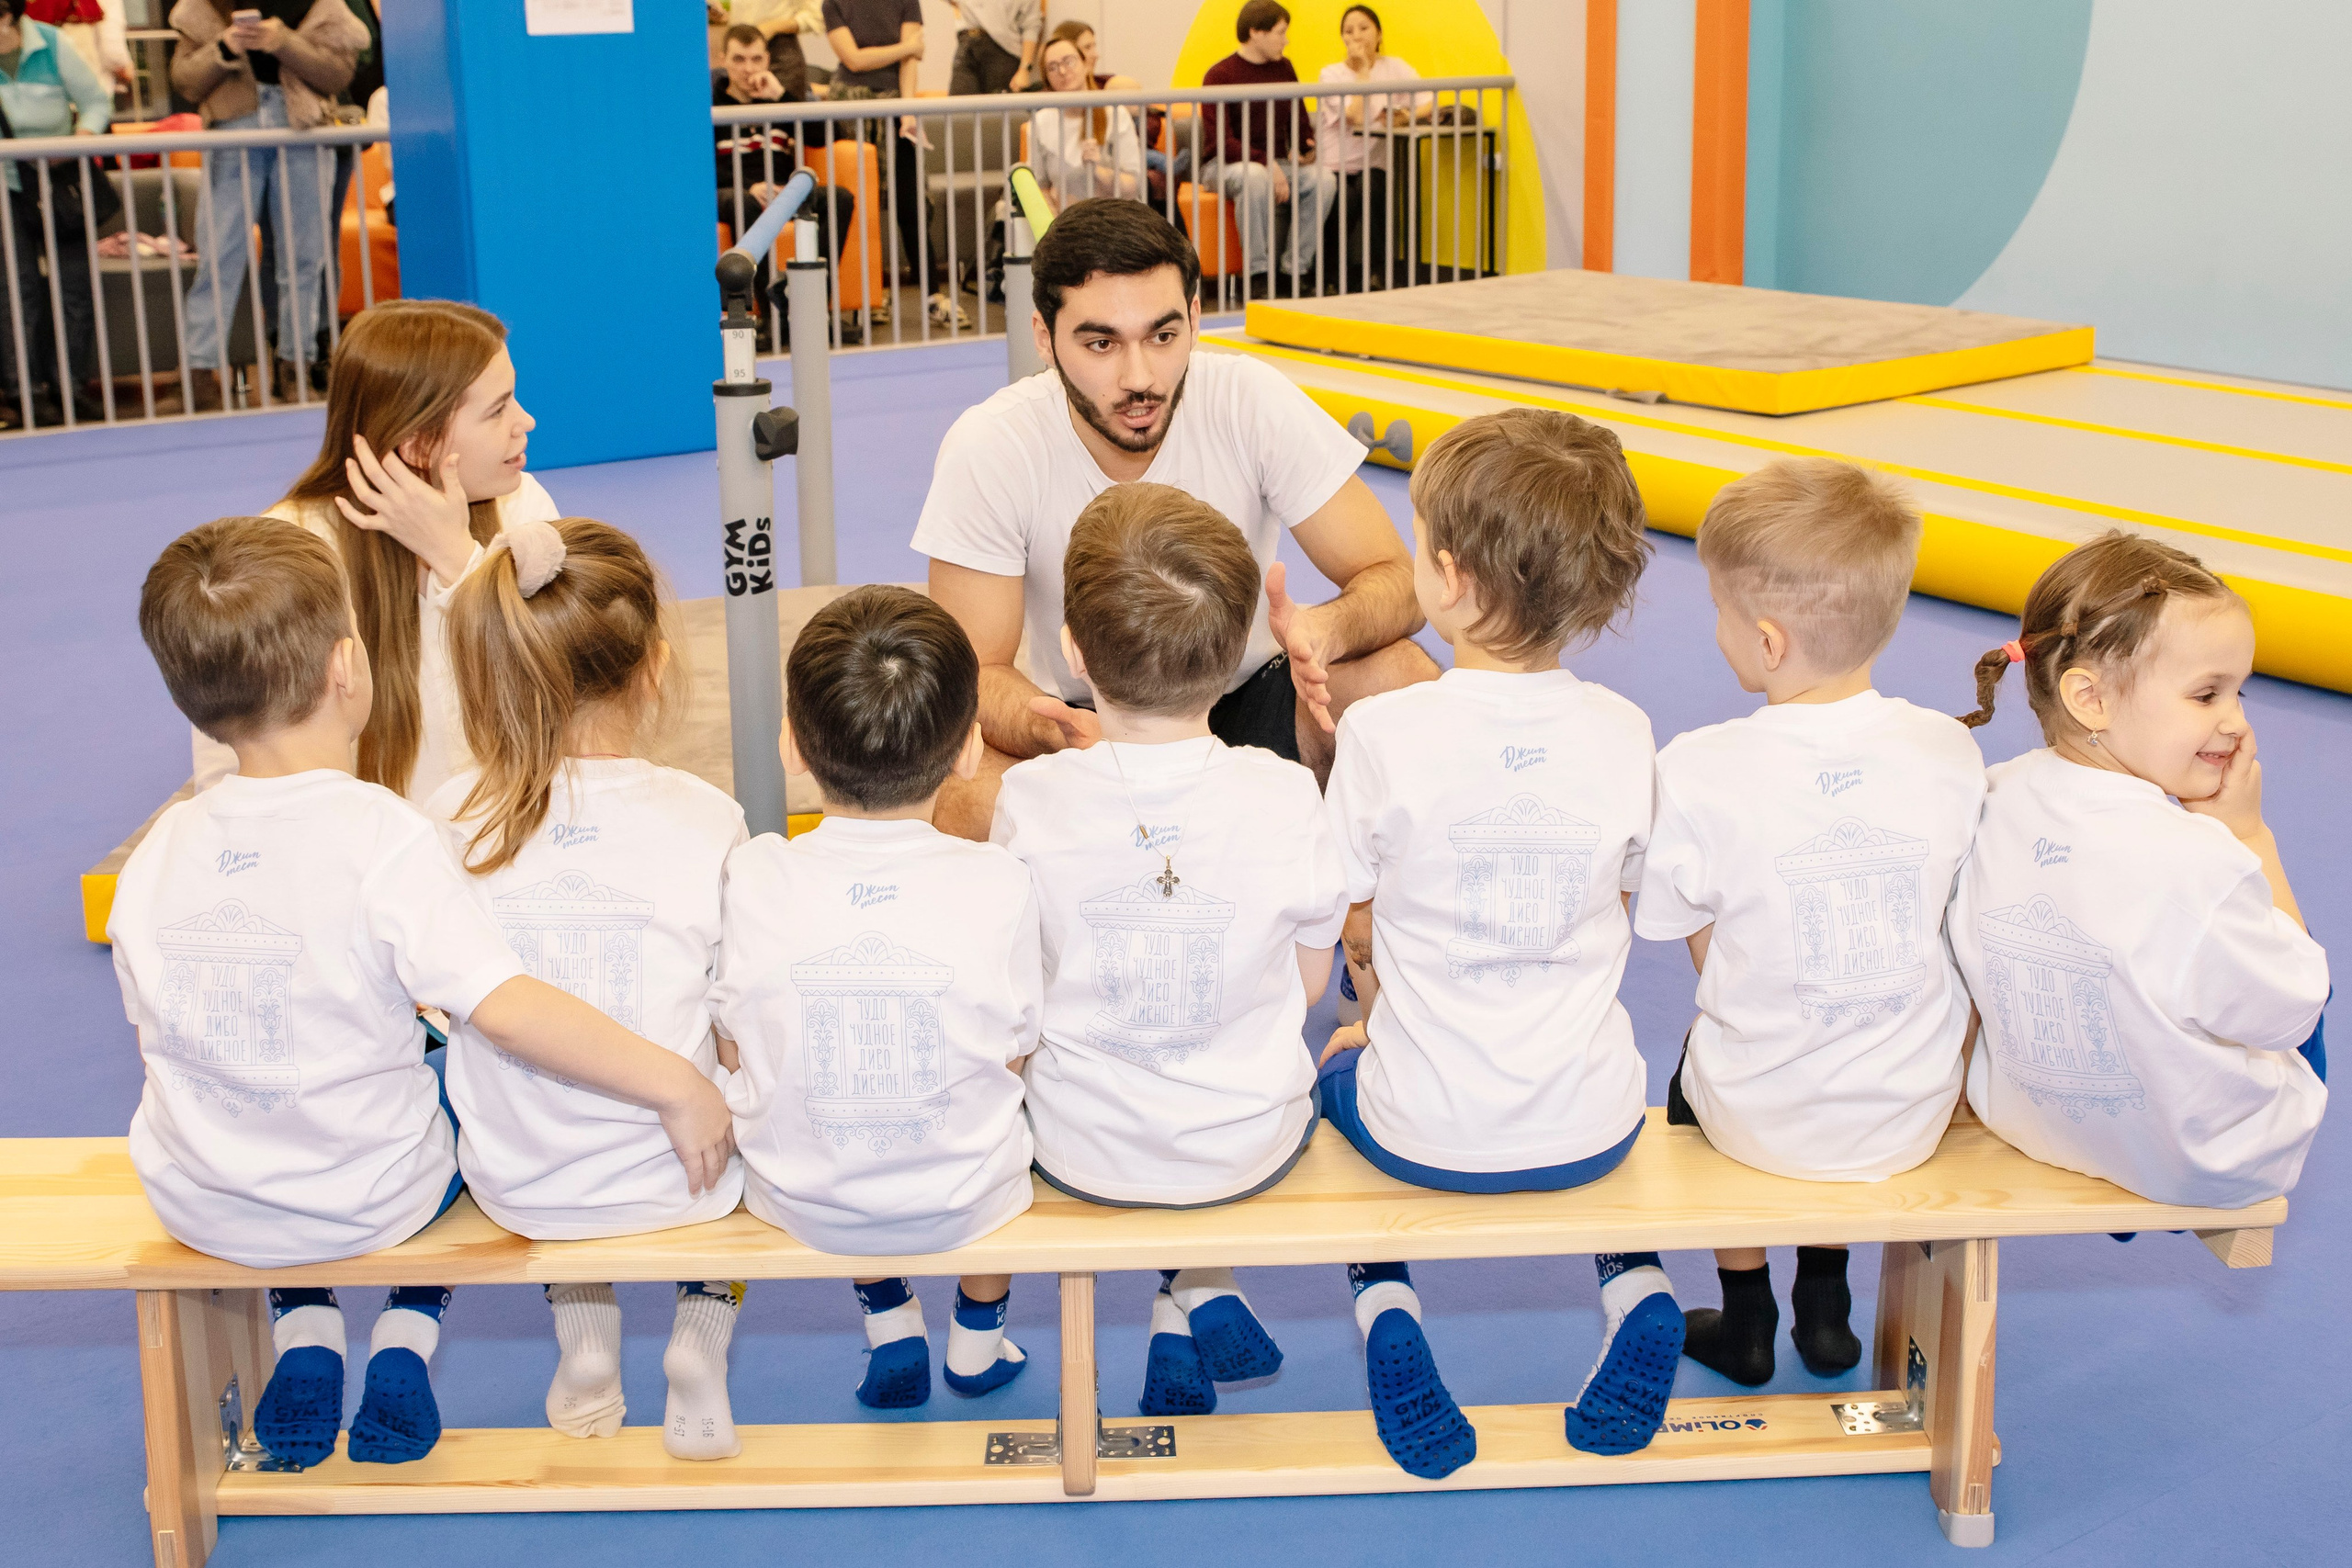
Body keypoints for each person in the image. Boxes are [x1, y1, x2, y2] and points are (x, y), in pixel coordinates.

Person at [116, 517, 734, 1467]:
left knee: (393, 1061)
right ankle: (406, 1334)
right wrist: (677, 1084)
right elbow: (508, 1008)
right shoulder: (383, 834)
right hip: (374, 1196)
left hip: (198, 1193)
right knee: (456, 1066)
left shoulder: (158, 850)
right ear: (348, 668)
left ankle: (308, 1329)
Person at [1319, 410, 1673, 1472]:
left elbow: (1333, 904)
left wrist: (1363, 1013)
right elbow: (1642, 903)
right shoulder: (1622, 731)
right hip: (1590, 1126)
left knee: (1328, 1079)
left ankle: (1385, 1304)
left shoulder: (1385, 730)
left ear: (1451, 581)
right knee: (1588, 1065)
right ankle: (1637, 1283)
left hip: (1420, 1129)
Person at [913, 198, 1437, 842]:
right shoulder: (993, 444)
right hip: (1088, 725)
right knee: (958, 788)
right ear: (1045, 339)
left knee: (1405, 679)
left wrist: (1325, 629)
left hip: (1248, 697)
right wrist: (1067, 731)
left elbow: (1399, 579)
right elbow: (973, 673)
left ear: (1194, 318)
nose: (1140, 378)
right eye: (1101, 342)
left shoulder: (1249, 399)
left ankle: (1360, 891)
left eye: (1163, 337)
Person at [991, 483, 1348, 1416]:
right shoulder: (1278, 793)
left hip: (1081, 1146)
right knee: (1250, 1065)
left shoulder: (1033, 801)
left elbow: (1016, 988)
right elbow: (1309, 985)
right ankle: (1193, 1287)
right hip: (1245, 1139)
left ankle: (1190, 1291)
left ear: (1071, 648)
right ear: (1235, 653)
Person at [1634, 459, 1986, 1387]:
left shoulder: (1700, 765)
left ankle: (1746, 1316)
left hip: (1759, 1121)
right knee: (1851, 1035)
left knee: (1699, 1076)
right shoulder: (1948, 748)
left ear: (1765, 640)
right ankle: (1825, 1305)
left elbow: (1702, 949)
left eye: (1718, 615)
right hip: (1902, 1115)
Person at [428, 517, 752, 1461]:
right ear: (653, 666)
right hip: (678, 1180)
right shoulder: (706, 818)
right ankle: (702, 1337)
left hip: (519, 1182)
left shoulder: (452, 816)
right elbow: (734, 1021)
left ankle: (584, 1331)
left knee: (511, 1089)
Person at [716, 587, 1040, 1407]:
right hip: (964, 1202)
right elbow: (1015, 1052)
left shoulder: (756, 872)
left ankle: (888, 1314)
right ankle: (977, 1332)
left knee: (815, 1093)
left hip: (803, 1198)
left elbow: (734, 1042)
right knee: (1001, 1106)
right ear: (970, 749)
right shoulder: (998, 880)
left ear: (792, 744)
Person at [1951, 531, 2328, 1209]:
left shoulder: (1991, 795)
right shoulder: (2199, 858)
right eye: (2207, 694)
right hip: (2203, 1161)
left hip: (2031, 1119)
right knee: (2304, 992)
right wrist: (2248, 833)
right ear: (2090, 699)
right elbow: (2292, 1008)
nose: (2235, 722)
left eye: (2240, 693)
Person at [188, 300, 560, 805]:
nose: (527, 421)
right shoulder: (288, 552)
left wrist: (459, 559)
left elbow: (570, 689)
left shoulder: (522, 507)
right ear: (417, 442)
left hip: (507, 845)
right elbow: (235, 772)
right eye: (498, 409)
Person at [168, 2, 370, 411]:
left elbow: (339, 74)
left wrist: (286, 43)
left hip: (304, 130)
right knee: (218, 256)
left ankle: (296, 365)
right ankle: (200, 374)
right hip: (231, 133)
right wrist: (224, 47)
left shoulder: (322, 6)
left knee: (306, 258)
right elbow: (185, 81)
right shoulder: (201, 7)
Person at [822, 0, 970, 329]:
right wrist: (908, 47)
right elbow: (854, 60)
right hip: (850, 108)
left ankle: (933, 297)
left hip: (895, 105)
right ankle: (871, 295)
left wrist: (906, 109)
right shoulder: (833, 3)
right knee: (862, 208)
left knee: (912, 205)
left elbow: (907, 63)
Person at [0, 0, 113, 429]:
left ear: (8, 15)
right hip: (7, 187)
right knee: (16, 290)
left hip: (61, 183)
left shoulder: (49, 41)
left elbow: (95, 103)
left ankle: (72, 388)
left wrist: (76, 141)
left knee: (74, 286)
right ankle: (24, 393)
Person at [714, 21, 859, 340]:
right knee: (746, 202)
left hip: (785, 192)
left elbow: (831, 135)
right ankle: (771, 316)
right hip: (732, 193)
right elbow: (700, 166)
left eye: (756, 59)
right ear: (723, 60)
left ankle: (814, 309)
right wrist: (747, 187)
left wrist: (781, 96)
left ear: (767, 60)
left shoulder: (779, 99)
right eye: (739, 59)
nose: (748, 69)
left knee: (840, 197)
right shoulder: (711, 105)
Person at [1202, 1, 1336, 299]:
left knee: (1324, 180)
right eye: (1280, 32)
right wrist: (1267, 164)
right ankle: (1257, 274)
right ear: (1255, 32)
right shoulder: (1219, 75)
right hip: (1224, 165)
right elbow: (1221, 142)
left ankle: (1294, 270)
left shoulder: (1284, 68)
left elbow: (1299, 118)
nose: (1286, 40)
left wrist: (1307, 147)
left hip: (1272, 164)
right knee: (1253, 175)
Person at [1314, 6, 1430, 292]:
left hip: (1373, 162)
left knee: (1372, 189)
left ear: (1378, 33)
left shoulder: (1396, 67)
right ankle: (1331, 276)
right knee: (1343, 200)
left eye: (1364, 28)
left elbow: (1431, 100)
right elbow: (1353, 115)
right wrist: (1363, 71)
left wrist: (1405, 116)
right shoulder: (1331, 75)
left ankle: (1380, 271)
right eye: (1348, 31)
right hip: (1335, 164)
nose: (1357, 36)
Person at [1032, 33, 1143, 209]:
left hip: (1115, 221)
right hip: (1067, 225)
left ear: (1085, 65)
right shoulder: (1040, 121)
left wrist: (1098, 171)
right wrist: (1054, 226)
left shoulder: (1115, 114)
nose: (1062, 71)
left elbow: (1133, 187)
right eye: (1052, 67)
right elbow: (1041, 187)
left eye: (1069, 61)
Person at [947, 0, 1038, 96]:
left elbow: (1031, 26)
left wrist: (1025, 69)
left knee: (998, 107)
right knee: (960, 106)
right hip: (967, 44)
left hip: (1002, 51)